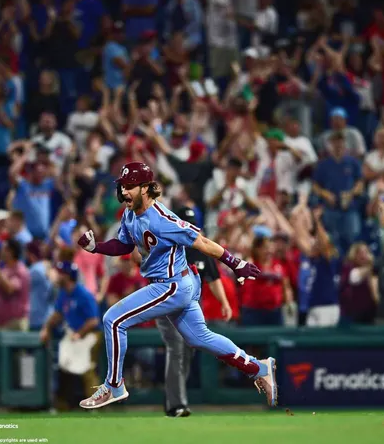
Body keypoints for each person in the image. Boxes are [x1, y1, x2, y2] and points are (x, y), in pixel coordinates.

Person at [76, 161, 277, 410]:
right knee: (200, 338)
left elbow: (201, 242)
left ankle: (114, 385)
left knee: (113, 320)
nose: (124, 191)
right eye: (123, 186)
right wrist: (97, 247)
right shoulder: (130, 212)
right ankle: (259, 367)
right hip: (179, 281)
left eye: (130, 186)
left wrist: (235, 263)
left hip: (172, 285)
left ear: (146, 188)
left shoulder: (162, 220)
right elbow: (124, 245)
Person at [154, 204, 233, 418]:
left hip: (189, 310)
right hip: (167, 308)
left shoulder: (200, 247)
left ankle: (173, 397)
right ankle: (176, 404)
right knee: (177, 349)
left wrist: (224, 303)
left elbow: (213, 278)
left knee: (187, 353)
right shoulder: (166, 246)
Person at [39, 261, 101, 409]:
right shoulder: (63, 293)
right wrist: (46, 328)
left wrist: (79, 334)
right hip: (74, 335)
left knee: (87, 367)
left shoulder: (83, 294)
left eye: (60, 273)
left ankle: (97, 404)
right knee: (64, 367)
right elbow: (57, 315)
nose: (57, 276)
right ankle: (63, 404)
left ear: (67, 276)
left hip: (90, 334)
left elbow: (93, 321)